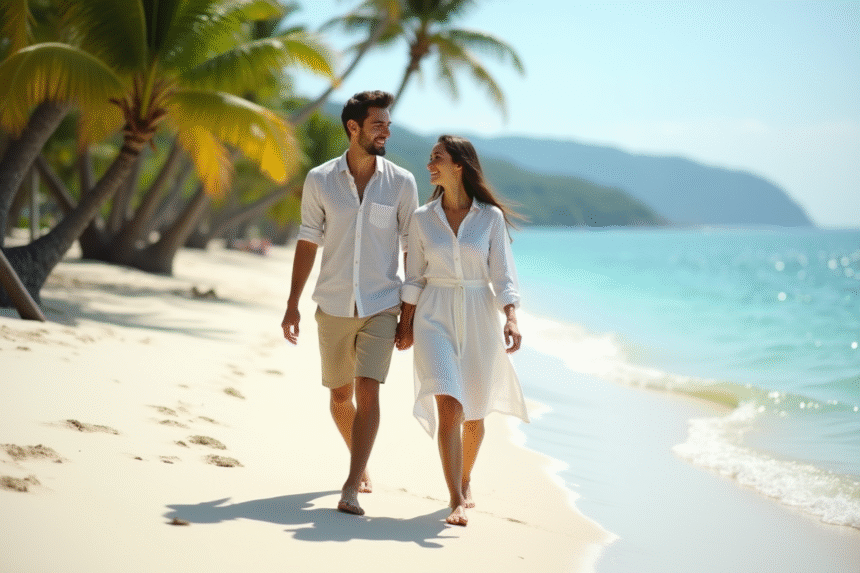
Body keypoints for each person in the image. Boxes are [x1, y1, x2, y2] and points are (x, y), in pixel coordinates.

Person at [281, 91, 418, 516]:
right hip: (334, 304)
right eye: (378, 124)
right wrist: (292, 304)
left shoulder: (402, 183)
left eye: (388, 125)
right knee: (341, 397)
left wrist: (408, 314)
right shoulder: (320, 179)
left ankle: (350, 484)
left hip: (382, 304)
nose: (386, 132)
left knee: (368, 391)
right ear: (353, 128)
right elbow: (308, 240)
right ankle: (362, 464)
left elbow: (413, 249)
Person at [396, 135, 529, 527]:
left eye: (437, 158)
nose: (429, 165)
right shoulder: (422, 218)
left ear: (459, 165)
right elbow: (414, 276)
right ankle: (455, 496)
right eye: (430, 158)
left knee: (474, 412)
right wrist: (406, 324)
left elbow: (503, 275)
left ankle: (466, 477)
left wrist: (512, 316)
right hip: (433, 314)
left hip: (478, 315)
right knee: (449, 405)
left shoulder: (490, 218)